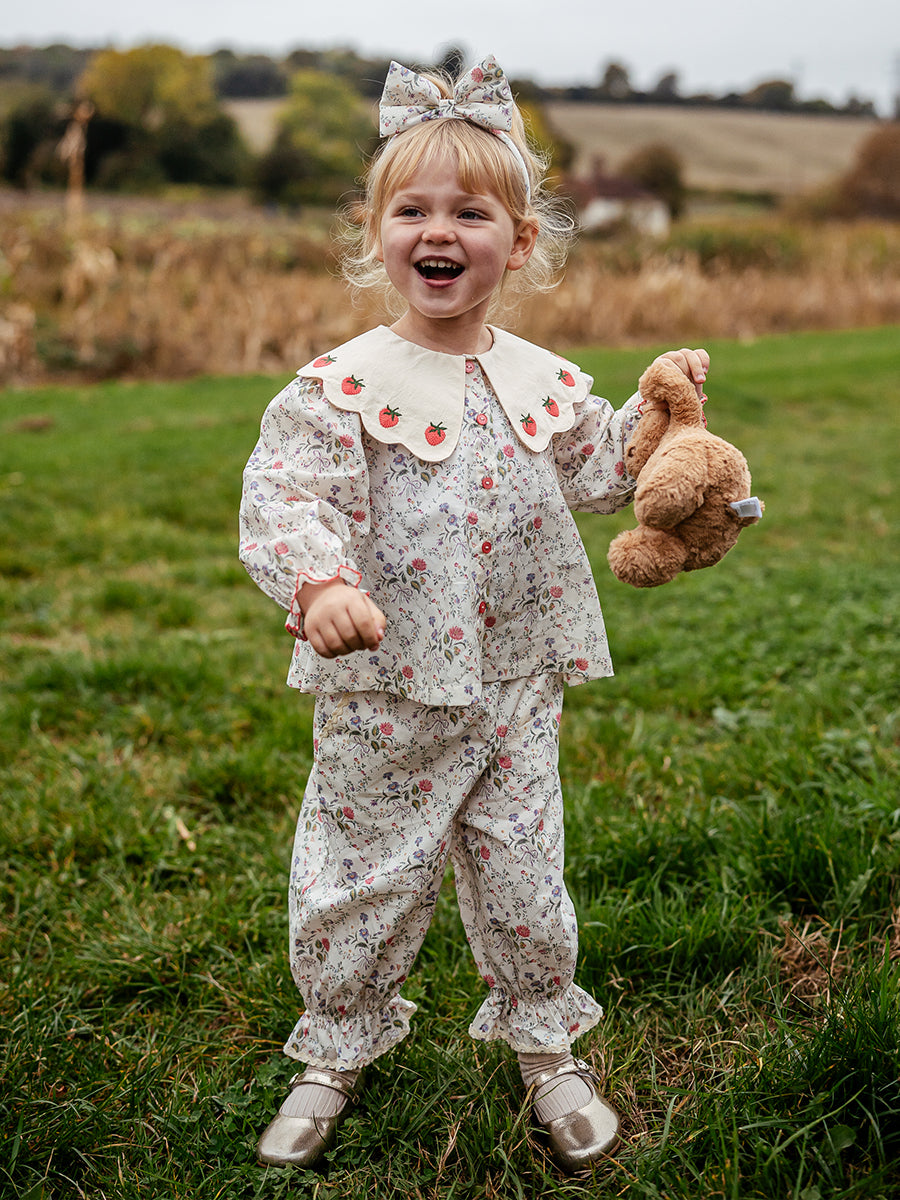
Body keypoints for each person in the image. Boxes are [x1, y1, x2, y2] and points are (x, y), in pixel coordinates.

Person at [239, 55, 709, 1174]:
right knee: (363, 867)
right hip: (386, 682)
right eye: (412, 210)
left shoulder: (542, 380)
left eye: (471, 212)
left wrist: (658, 416)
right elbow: (284, 495)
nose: (438, 230)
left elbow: (599, 470)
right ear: (377, 233)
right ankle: (336, 1045)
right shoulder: (342, 386)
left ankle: (547, 1045)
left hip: (516, 675)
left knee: (524, 864)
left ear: (521, 241)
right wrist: (321, 584)